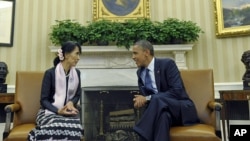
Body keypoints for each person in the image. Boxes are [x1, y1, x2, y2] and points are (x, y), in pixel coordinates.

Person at [131, 40, 200, 141]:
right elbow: (149, 102)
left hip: (180, 109)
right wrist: (142, 101)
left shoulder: (167, 64)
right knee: (163, 117)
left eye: (135, 53)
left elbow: (177, 91)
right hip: (162, 112)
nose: (133, 57)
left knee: (157, 99)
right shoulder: (140, 73)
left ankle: (140, 131)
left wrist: (148, 98)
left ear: (146, 53)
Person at [27, 41, 84, 141]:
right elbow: (43, 100)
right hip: (48, 112)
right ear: (66, 54)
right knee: (58, 125)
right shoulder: (50, 73)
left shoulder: (77, 73)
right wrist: (58, 111)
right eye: (77, 53)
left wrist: (71, 103)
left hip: (68, 112)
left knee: (74, 127)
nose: (78, 58)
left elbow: (77, 94)